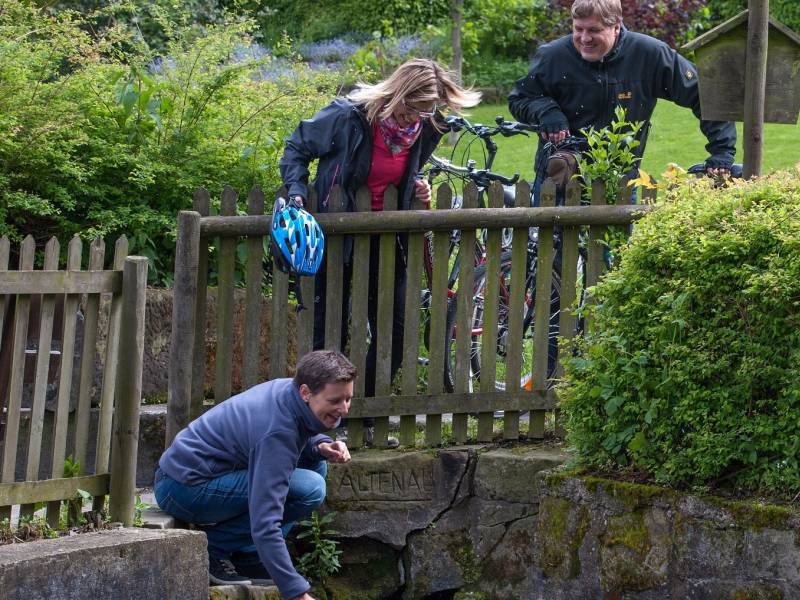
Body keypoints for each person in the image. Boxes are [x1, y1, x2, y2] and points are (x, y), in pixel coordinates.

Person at [280, 60, 481, 445]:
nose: (413, 118)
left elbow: (407, 172)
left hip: (390, 240)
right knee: (330, 329)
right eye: (409, 108)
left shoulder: (427, 127)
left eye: (423, 111)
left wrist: (417, 186)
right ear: (395, 93)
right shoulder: (348, 117)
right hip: (337, 237)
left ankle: (363, 411)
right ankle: (317, 424)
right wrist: (297, 190)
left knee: (398, 329)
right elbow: (296, 148)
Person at [155, 350, 356, 599]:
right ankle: (214, 546)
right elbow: (266, 522)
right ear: (306, 392)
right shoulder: (278, 432)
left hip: (197, 475)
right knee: (310, 488)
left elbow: (305, 429)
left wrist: (320, 445)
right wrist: (297, 592)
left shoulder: (291, 392)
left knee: (316, 463)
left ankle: (249, 555)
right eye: (336, 400)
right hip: (183, 487)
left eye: (348, 399)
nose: (344, 409)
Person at [508, 0, 737, 201]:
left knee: (614, 251)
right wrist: (547, 111)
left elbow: (706, 94)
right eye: (578, 29)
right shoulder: (553, 56)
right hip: (558, 177)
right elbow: (521, 97)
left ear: (616, 27)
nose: (584, 38)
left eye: (594, 30)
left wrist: (721, 152)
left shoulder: (649, 55)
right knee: (548, 250)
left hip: (619, 180)